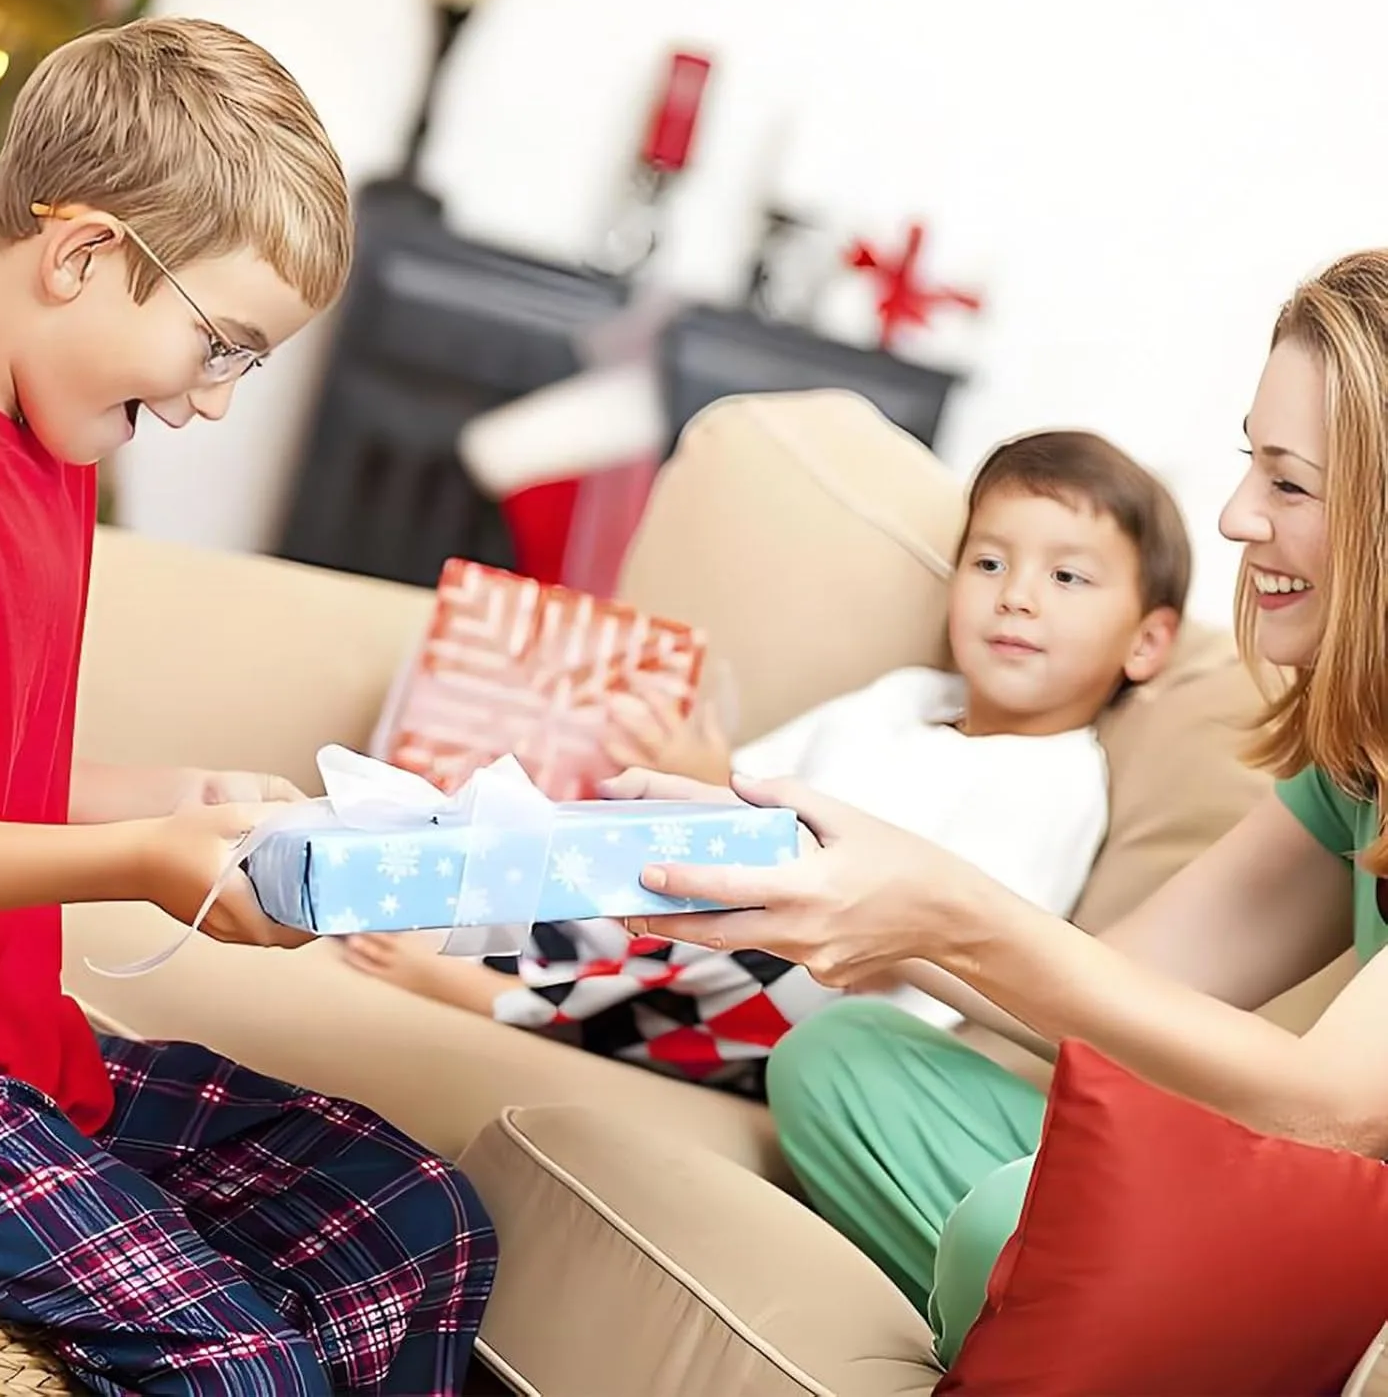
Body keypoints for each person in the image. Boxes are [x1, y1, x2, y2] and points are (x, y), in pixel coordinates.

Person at [609, 248, 1388, 1369]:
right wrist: (814, 882)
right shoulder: (1354, 768)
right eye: (1247, 467)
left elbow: (1334, 1108)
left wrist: (945, 909)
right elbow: (1124, 995)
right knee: (849, 1063)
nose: (1234, 518)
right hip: (1309, 1218)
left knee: (1004, 1227)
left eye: (1289, 482)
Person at [0, 18, 496, 1397]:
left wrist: (173, 800)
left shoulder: (47, 438)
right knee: (246, 1365)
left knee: (419, 1227)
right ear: (86, 253)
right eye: (219, 347)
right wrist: (141, 866)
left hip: (1, 1050)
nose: (215, 405)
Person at [344, 431, 1187, 1096]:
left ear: (1147, 642)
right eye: (991, 562)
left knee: (764, 949)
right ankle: (444, 896)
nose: (1017, 595)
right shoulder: (898, 702)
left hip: (829, 993)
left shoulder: (1055, 780)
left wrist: (798, 898)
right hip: (727, 922)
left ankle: (513, 1000)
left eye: (1068, 577)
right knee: (626, 852)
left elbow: (974, 945)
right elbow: (739, 793)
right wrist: (698, 772)